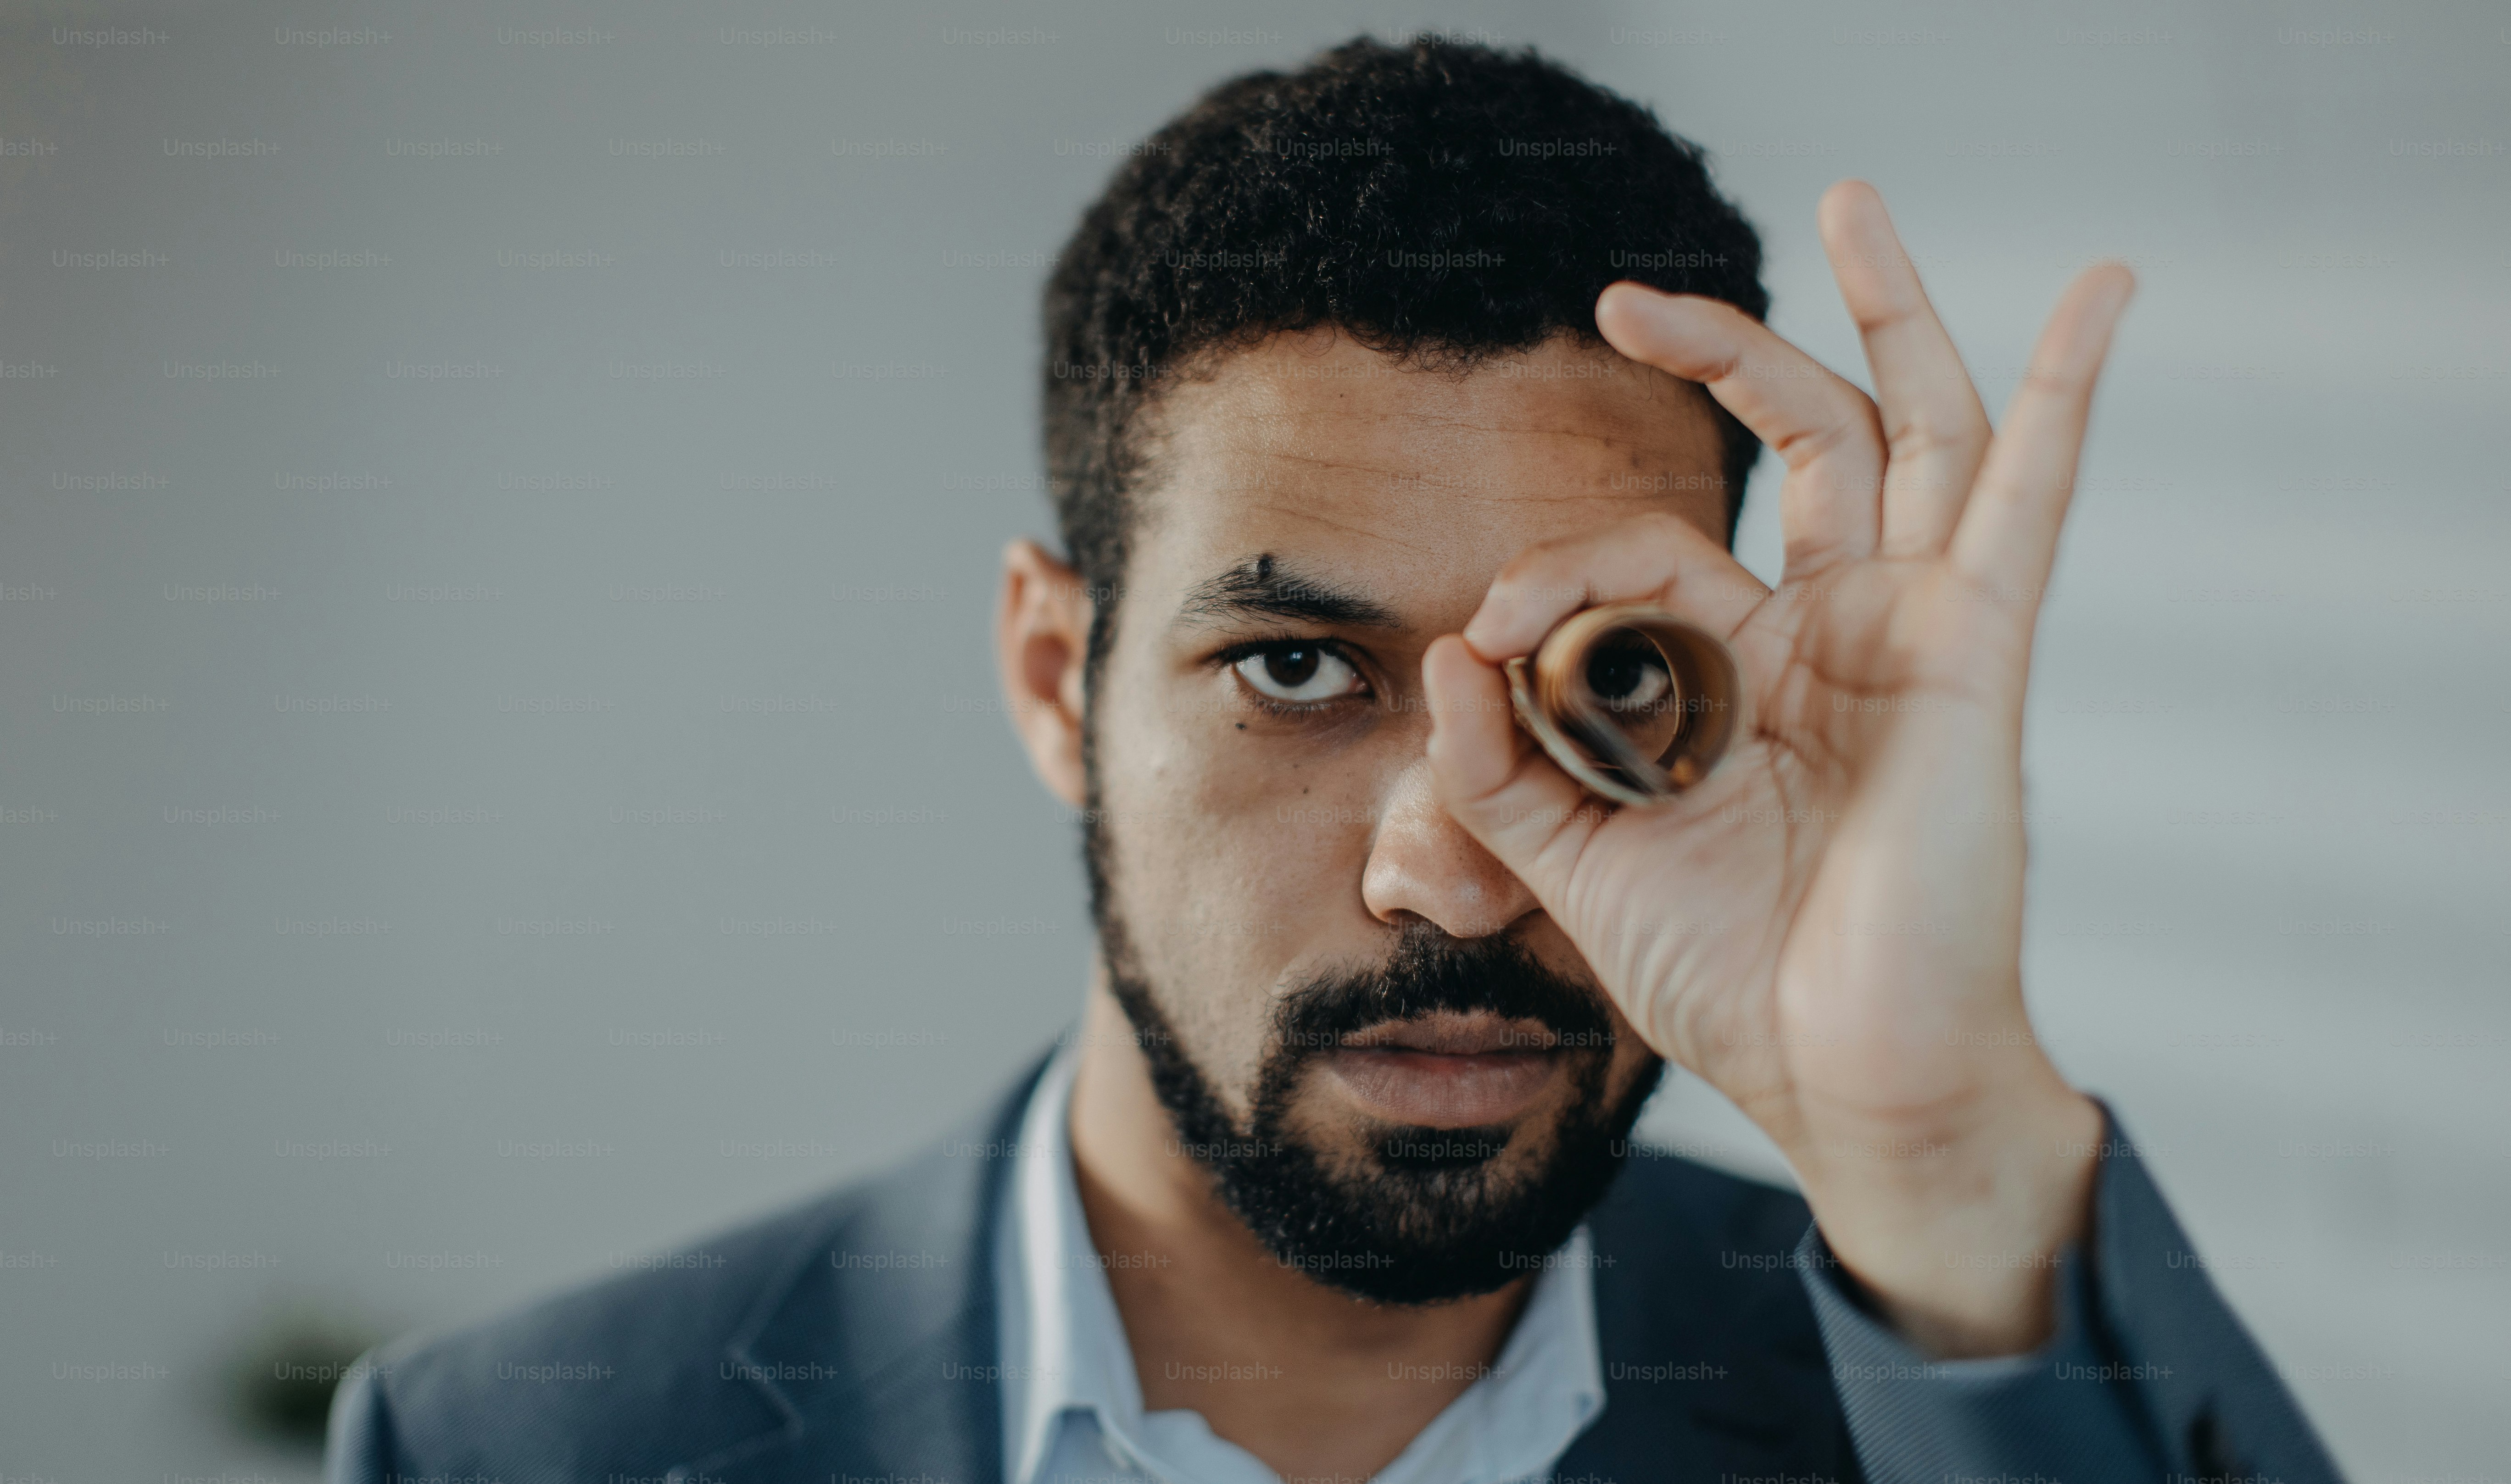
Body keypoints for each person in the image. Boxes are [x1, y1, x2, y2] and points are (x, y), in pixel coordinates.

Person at [327, 37, 2344, 1484]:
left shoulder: (1953, 1385)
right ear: (1057, 675)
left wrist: (1940, 1155)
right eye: (1297, 666)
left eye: (1609, 677)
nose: (1456, 871)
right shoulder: (525, 1443)